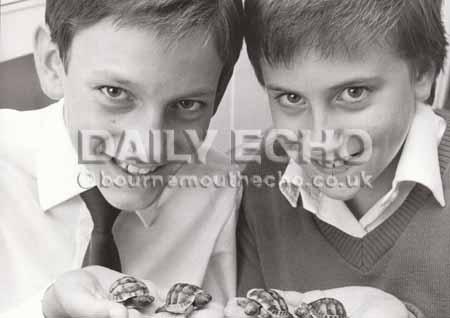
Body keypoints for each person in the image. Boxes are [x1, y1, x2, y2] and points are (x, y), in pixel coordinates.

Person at [0, 0, 244, 317]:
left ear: (217, 96)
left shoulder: (220, 191)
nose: (147, 148)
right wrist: (48, 310)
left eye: (186, 104)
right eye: (115, 92)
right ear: (52, 64)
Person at [232, 0, 449, 317]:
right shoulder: (261, 187)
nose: (320, 139)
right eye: (291, 98)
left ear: (422, 74)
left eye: (353, 93)